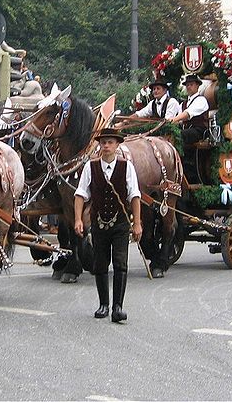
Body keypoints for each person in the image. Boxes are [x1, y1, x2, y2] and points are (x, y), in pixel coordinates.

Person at [74, 128, 142, 323]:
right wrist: (78, 219)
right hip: (99, 224)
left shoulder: (126, 167)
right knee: (100, 264)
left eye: (110, 142)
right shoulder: (91, 167)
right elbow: (80, 194)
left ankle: (117, 307)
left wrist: (137, 223)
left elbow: (134, 195)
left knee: (121, 264)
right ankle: (103, 304)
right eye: (103, 142)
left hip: (120, 224)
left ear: (117, 145)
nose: (106, 146)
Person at [170, 74, 210, 144]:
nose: (188, 87)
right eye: (187, 85)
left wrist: (173, 119)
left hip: (199, 131)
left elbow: (187, 114)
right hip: (187, 131)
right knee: (170, 133)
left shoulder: (201, 100)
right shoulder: (183, 104)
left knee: (179, 135)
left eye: (191, 84)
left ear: (197, 86)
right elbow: (179, 120)